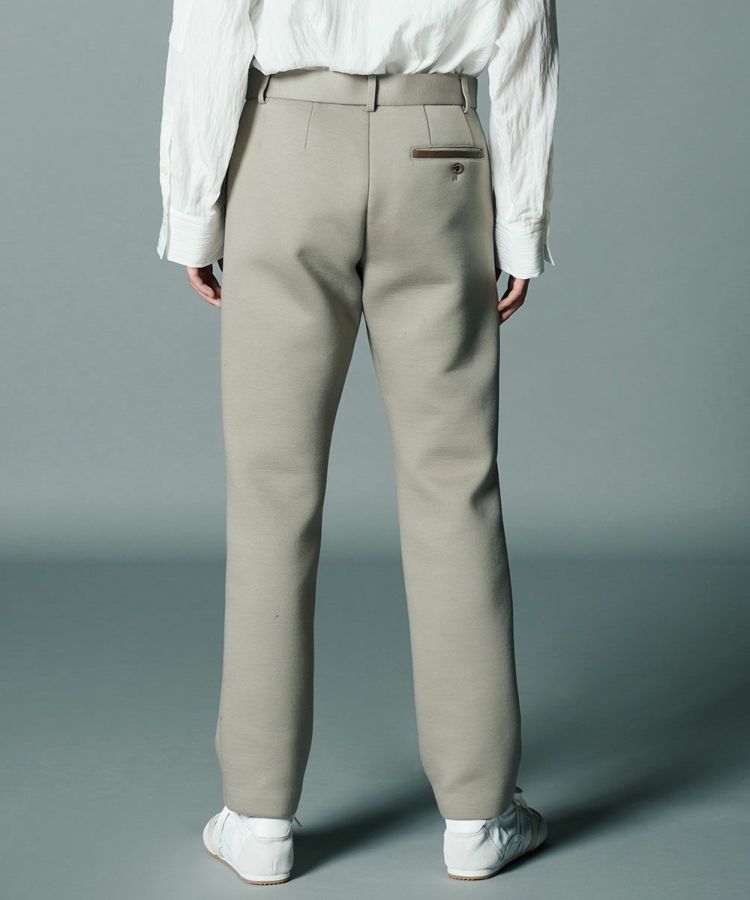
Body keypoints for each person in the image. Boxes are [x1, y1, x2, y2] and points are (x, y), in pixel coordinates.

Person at [156, 0, 559, 885]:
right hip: (439, 150)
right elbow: (523, 31)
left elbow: (212, 25)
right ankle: (480, 816)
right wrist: (521, 225)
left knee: (272, 489)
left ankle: (258, 818)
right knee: (454, 483)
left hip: (285, 149)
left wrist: (193, 210)